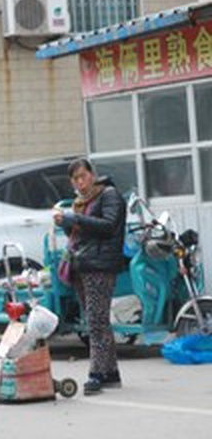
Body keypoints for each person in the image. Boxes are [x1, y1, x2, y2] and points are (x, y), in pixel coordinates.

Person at [53, 158, 126, 396]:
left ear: (92, 175)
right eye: (75, 179)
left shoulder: (109, 195)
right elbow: (78, 233)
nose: (80, 183)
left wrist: (74, 219)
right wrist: (65, 223)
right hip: (82, 264)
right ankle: (110, 373)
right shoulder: (79, 202)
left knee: (96, 321)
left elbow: (108, 225)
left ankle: (96, 374)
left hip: (101, 265)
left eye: (83, 176)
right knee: (97, 320)